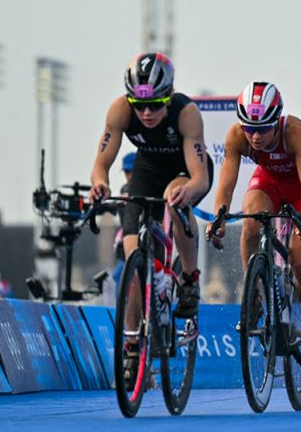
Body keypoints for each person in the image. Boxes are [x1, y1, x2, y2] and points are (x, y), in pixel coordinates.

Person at [206, 82, 301, 372]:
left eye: (263, 129)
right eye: (250, 128)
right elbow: (227, 182)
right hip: (270, 182)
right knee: (251, 222)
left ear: (276, 121)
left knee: (299, 261)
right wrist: (219, 217)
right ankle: (255, 289)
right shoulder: (237, 136)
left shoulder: (293, 131)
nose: (256, 136)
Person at [89, 54, 211, 321]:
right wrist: (100, 184)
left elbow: (199, 178)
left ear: (168, 97)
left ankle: (190, 278)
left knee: (174, 198)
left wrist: (189, 190)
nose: (146, 113)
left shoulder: (186, 113)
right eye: (139, 105)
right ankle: (134, 346)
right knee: (133, 266)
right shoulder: (120, 110)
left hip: (185, 170)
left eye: (154, 105)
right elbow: (101, 165)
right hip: (148, 170)